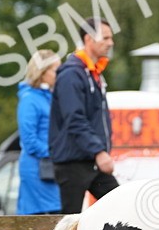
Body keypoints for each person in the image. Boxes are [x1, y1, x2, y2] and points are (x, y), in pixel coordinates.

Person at [1, 49, 62, 230]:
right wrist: (55, 152)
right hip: (37, 167)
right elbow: (28, 139)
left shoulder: (45, 96)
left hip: (43, 166)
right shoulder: (29, 99)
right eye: (56, 70)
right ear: (43, 72)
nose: (59, 74)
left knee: (30, 223)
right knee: (54, 220)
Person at [48, 18, 118, 212]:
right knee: (67, 225)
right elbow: (74, 119)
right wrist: (99, 151)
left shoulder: (92, 73)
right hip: (73, 163)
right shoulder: (72, 74)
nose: (110, 43)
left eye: (111, 38)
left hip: (89, 160)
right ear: (88, 39)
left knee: (120, 206)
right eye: (105, 38)